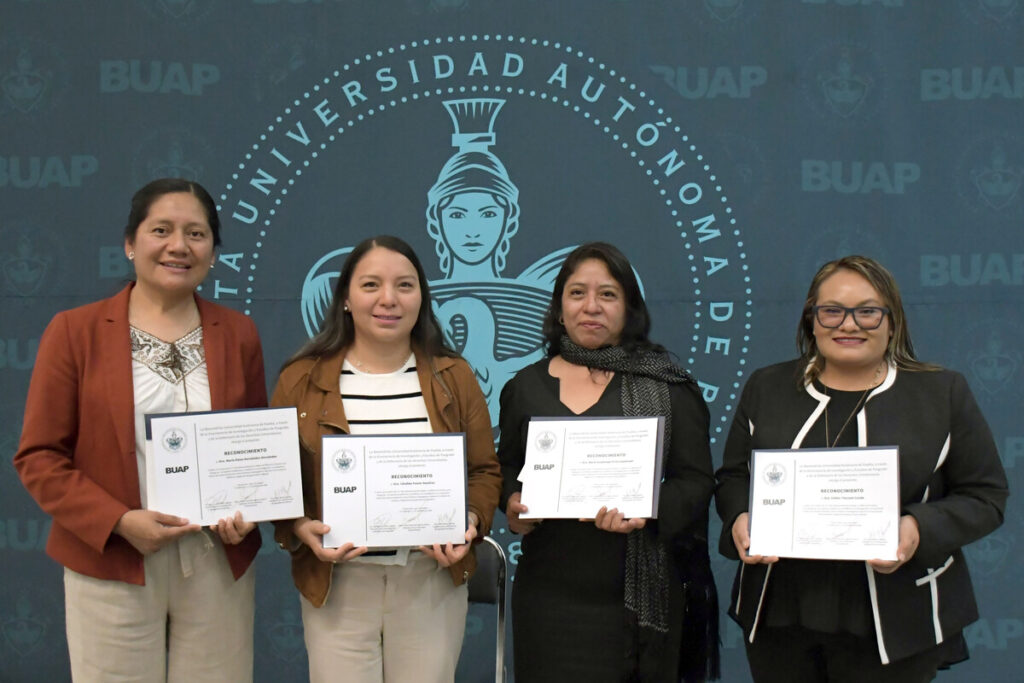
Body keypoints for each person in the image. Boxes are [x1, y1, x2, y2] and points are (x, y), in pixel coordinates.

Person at [14, 178, 266, 681]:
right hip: (113, 560)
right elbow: (38, 457)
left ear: (214, 251)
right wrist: (119, 521)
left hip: (216, 562)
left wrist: (251, 509)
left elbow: (255, 447)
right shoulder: (74, 331)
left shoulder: (238, 333)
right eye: (162, 230)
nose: (179, 245)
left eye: (196, 233)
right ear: (131, 243)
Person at [715, 255, 1009, 682]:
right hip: (780, 613)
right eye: (831, 310)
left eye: (867, 312)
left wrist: (917, 528)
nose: (848, 325)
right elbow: (734, 477)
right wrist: (741, 518)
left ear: (892, 322)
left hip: (898, 618)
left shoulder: (941, 392)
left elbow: (986, 497)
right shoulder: (767, 386)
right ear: (811, 320)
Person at [270, 235, 502, 683]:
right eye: (371, 285)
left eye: (405, 285)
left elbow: (484, 471)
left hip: (428, 579)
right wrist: (301, 527)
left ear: (422, 298)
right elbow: (280, 483)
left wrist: (470, 519)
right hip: (338, 583)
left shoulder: (454, 376)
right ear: (345, 300)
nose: (388, 299)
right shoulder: (301, 379)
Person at [498, 242, 720, 682]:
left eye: (608, 294)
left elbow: (694, 482)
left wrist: (646, 508)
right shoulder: (525, 386)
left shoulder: (670, 387)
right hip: (548, 597)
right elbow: (506, 467)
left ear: (629, 309)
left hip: (638, 599)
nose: (591, 307)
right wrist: (511, 504)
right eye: (577, 293)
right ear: (559, 308)